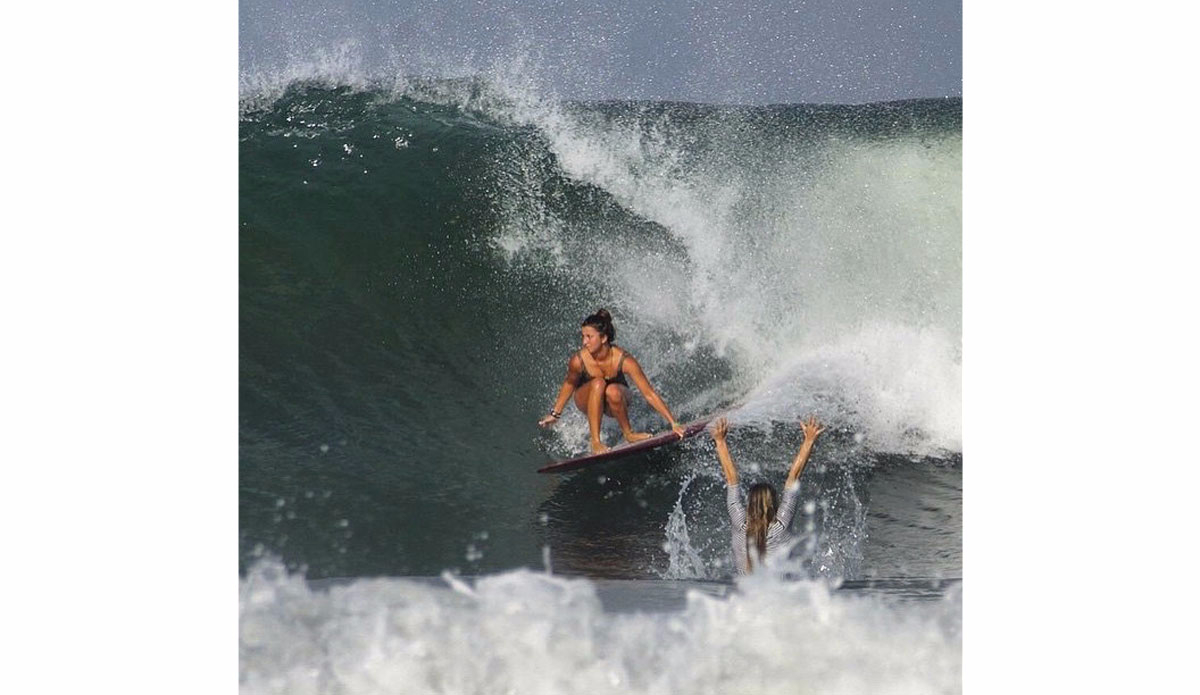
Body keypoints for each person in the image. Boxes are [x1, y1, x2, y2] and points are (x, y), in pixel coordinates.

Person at [538, 308, 686, 453]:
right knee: (598, 383)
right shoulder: (578, 360)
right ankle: (595, 442)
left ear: (603, 338)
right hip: (587, 399)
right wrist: (555, 414)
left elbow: (649, 393)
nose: (584, 342)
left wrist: (674, 422)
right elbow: (569, 385)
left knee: (613, 391)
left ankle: (629, 434)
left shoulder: (624, 360)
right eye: (583, 336)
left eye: (589, 337)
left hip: (614, 402)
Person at [710, 414, 826, 575]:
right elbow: (793, 477)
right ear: (774, 503)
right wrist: (809, 440)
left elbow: (731, 480)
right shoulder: (781, 525)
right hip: (778, 595)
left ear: (749, 504)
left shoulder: (739, 523)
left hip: (743, 596)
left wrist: (720, 441)